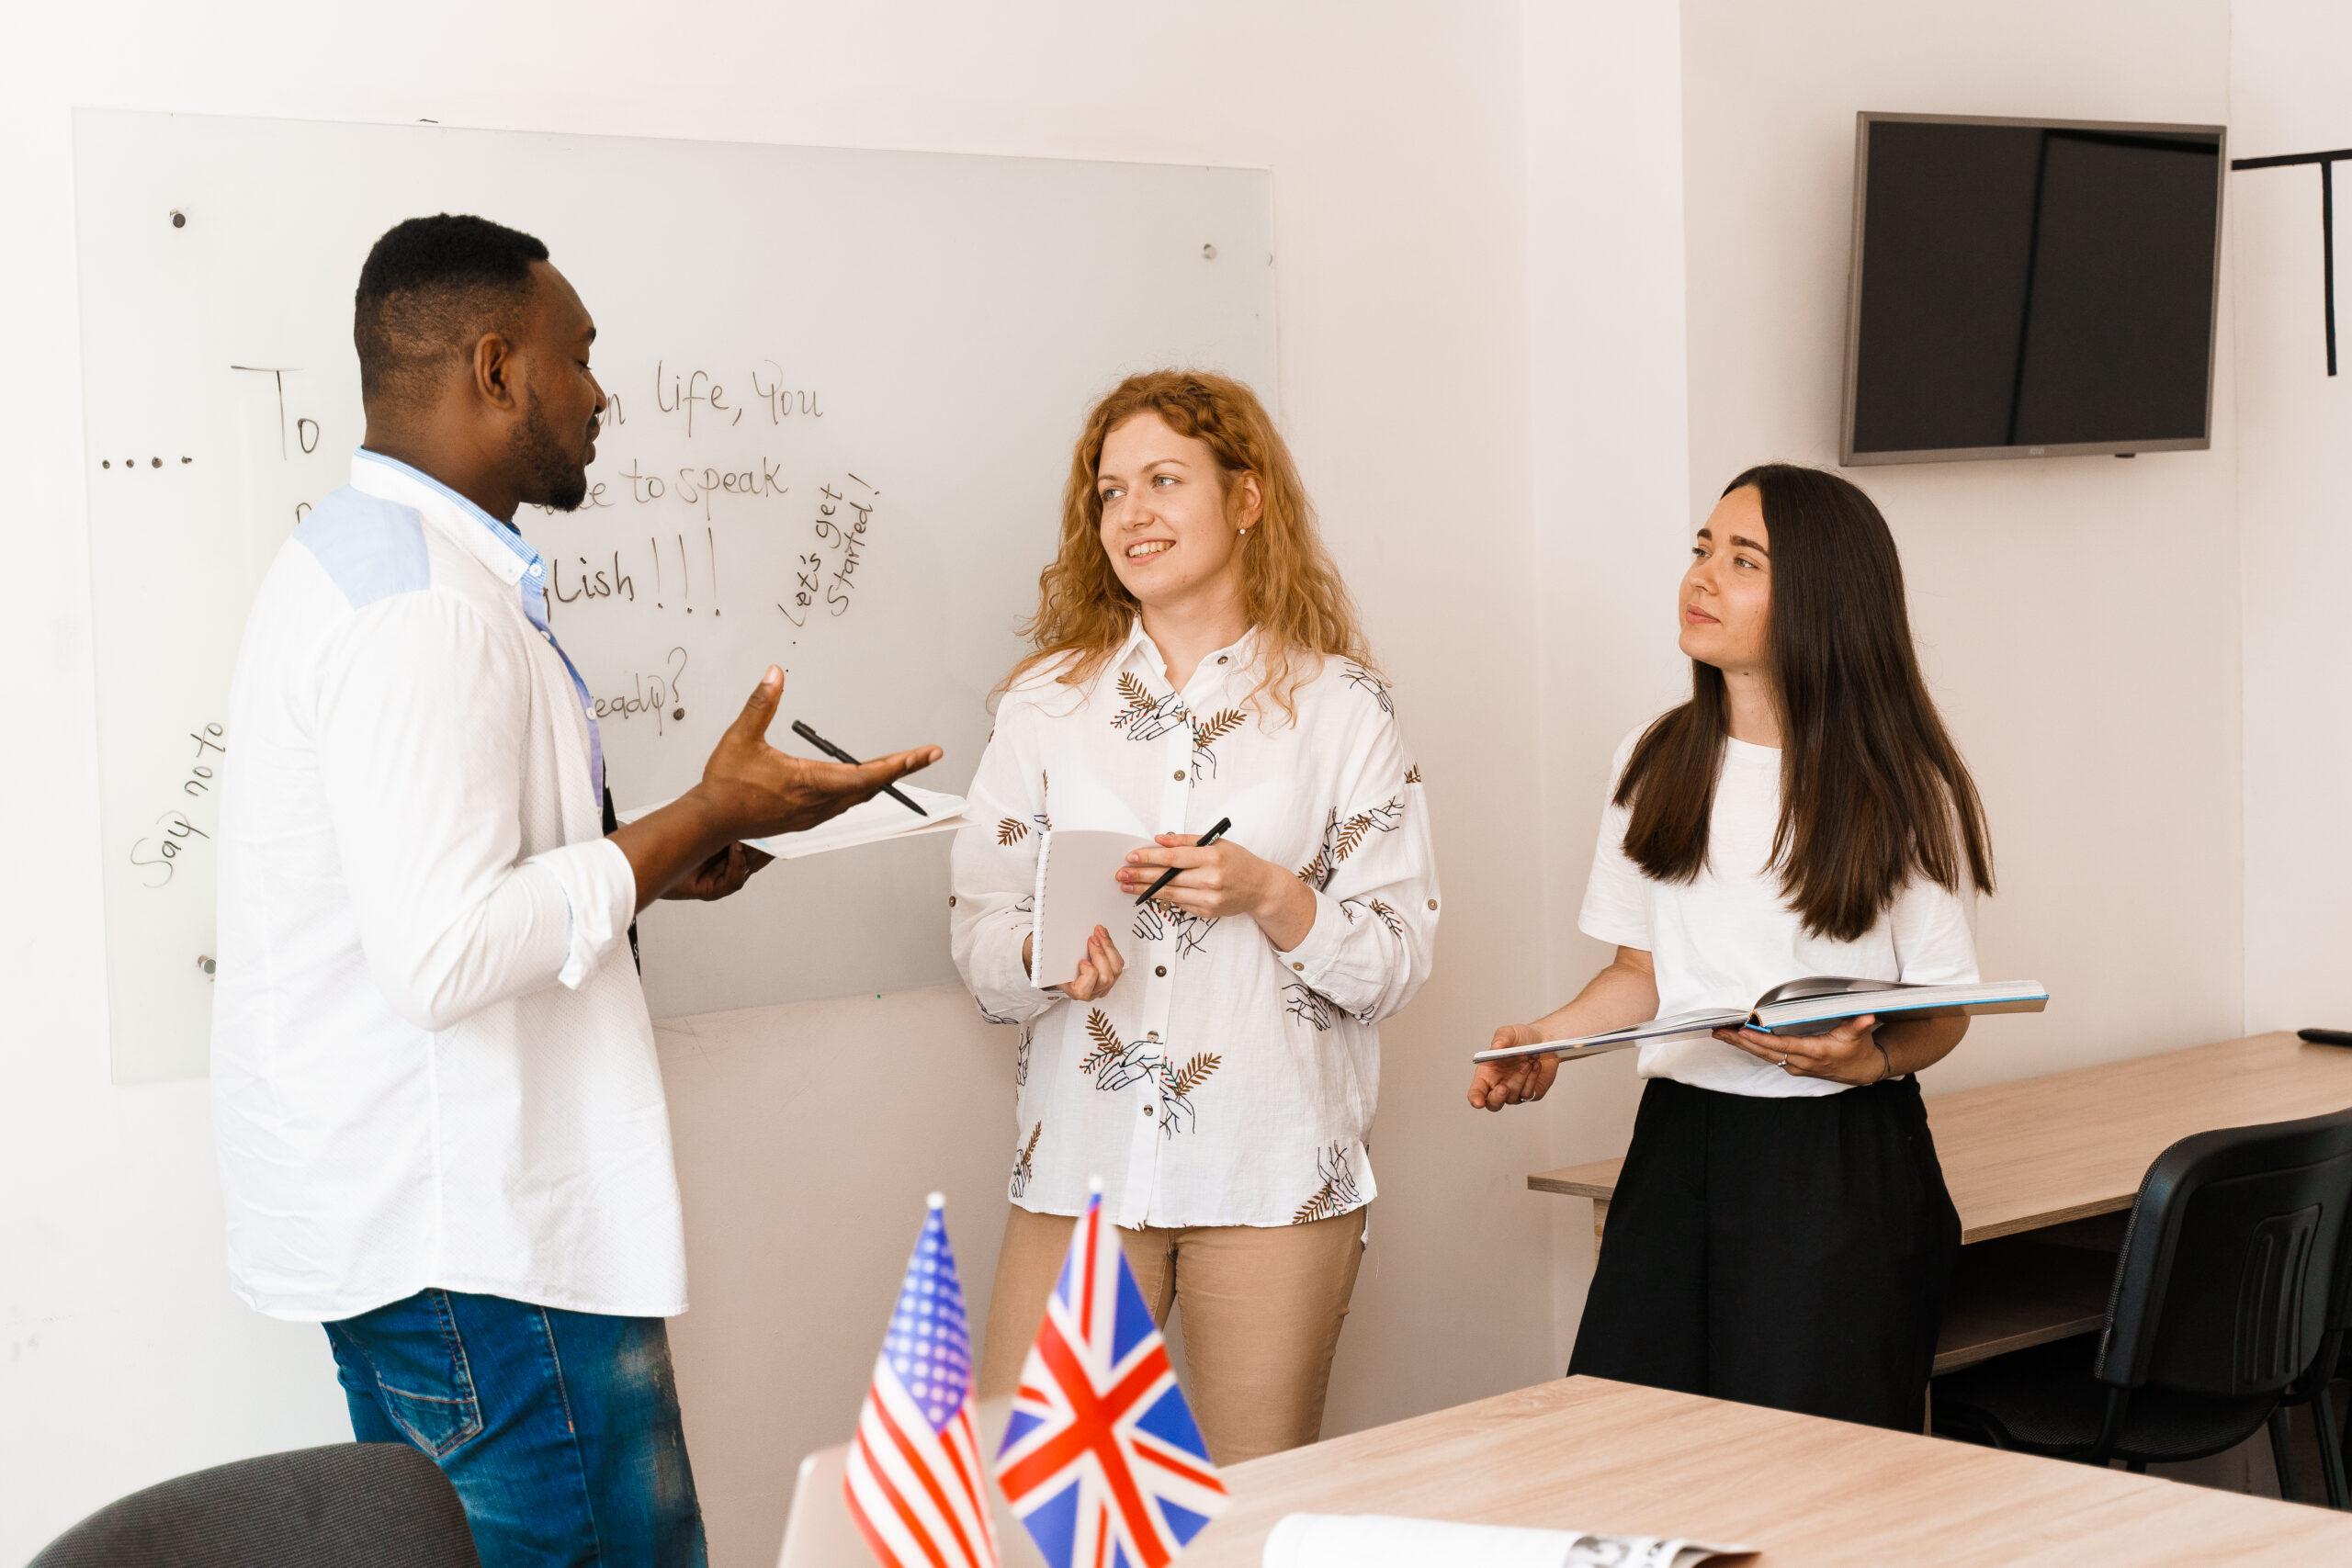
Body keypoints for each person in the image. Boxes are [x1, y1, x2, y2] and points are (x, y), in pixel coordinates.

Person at [209, 213, 941, 1566]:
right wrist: (699, 810)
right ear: (497, 366)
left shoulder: (363, 557)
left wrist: (668, 857)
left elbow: (451, 880)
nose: (602, 394)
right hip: (483, 1253)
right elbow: (442, 951)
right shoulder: (423, 606)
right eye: (581, 357)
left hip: (419, 1238)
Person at [949, 369, 1438, 1463]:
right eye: (1110, 491)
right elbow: (977, 930)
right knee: (1032, 1511)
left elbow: (1400, 959)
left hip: (1273, 1172)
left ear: (1247, 499)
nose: (1132, 514)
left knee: (1240, 1511)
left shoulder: (1341, 707)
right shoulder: (1046, 704)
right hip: (1082, 1162)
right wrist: (1042, 955)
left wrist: (1273, 896)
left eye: (1164, 480)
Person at [1471, 463, 1993, 1431]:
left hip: (1836, 1160)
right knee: (1634, 1448)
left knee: (1809, 1479)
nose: (1702, 577)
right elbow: (1642, 973)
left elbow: (1945, 1008)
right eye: (1701, 550)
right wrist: (1548, 1035)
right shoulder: (1654, 755)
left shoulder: (1896, 782)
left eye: (1742, 560)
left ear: (1820, 601)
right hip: (1678, 1145)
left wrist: (1867, 1058)